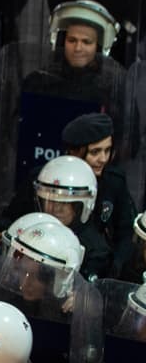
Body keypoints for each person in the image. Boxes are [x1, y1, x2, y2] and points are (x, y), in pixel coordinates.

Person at [57, 113, 138, 280]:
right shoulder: (49, 179)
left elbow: (126, 231)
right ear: (74, 151)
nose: (103, 159)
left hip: (100, 268)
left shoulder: (114, 182)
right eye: (95, 152)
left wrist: (116, 266)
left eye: (107, 150)